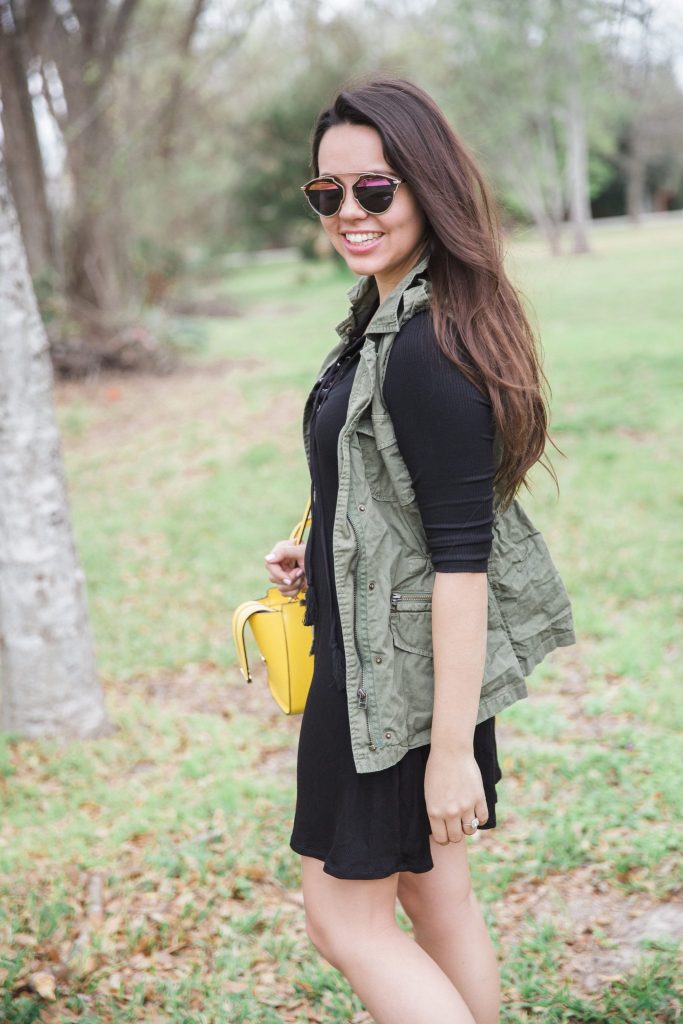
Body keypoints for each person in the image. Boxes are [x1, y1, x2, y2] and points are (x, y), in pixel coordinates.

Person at [263, 76, 575, 1024]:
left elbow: (461, 562)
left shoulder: (424, 349)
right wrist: (315, 554)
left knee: (344, 923)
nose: (348, 213)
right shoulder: (389, 316)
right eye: (328, 193)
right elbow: (388, 490)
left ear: (425, 187)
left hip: (392, 697)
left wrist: (450, 755)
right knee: (438, 903)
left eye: (374, 189)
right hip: (399, 673)